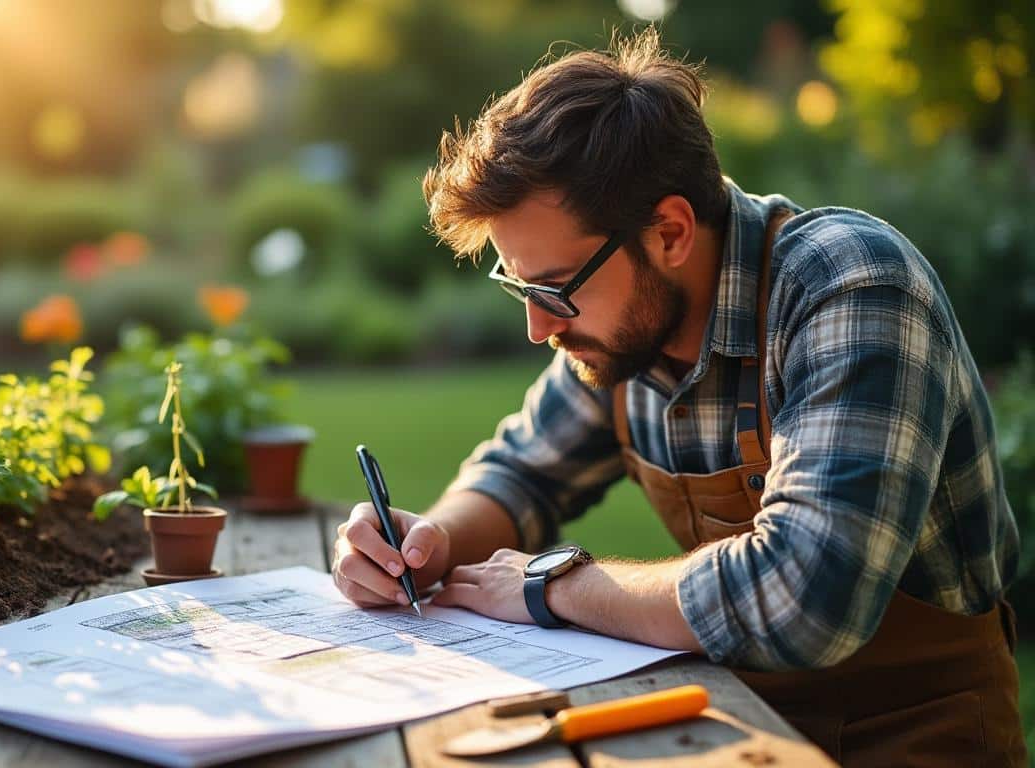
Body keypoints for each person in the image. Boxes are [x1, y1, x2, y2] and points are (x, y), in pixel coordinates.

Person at [330, 28, 1024, 767]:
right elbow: (521, 473)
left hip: (919, 739)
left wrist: (555, 584)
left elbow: (804, 598)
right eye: (517, 286)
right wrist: (424, 545)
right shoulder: (619, 333)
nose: (536, 327)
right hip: (750, 732)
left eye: (552, 289)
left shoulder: (850, 287)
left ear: (669, 232)